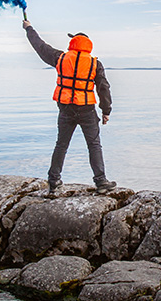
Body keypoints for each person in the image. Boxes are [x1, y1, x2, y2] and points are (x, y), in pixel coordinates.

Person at [23, 20, 116, 195]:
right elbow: (103, 87)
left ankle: (53, 181)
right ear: (88, 45)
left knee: (61, 145)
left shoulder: (61, 57)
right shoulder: (95, 63)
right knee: (94, 145)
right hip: (87, 109)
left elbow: (40, 46)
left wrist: (29, 28)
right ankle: (101, 181)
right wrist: (106, 110)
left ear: (73, 43)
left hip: (66, 108)